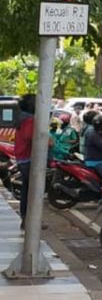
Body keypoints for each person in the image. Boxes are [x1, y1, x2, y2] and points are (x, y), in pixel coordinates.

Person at [15, 94, 36, 228]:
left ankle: (26, 218)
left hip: (21, 158)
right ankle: (31, 219)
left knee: (26, 190)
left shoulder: (21, 118)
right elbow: (30, 137)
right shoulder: (29, 120)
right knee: (33, 191)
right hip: (28, 159)